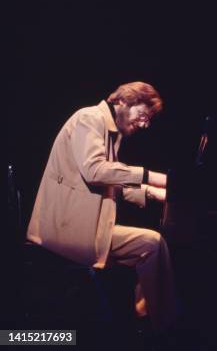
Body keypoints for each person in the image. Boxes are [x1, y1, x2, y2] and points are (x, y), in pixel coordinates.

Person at [26, 81, 178, 331]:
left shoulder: (107, 132)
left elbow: (110, 181)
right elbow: (96, 171)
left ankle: (146, 318)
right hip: (64, 229)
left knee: (151, 246)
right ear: (123, 101)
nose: (145, 124)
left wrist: (152, 193)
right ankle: (163, 327)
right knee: (151, 244)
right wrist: (152, 177)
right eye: (143, 115)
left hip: (77, 225)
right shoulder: (89, 118)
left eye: (149, 120)